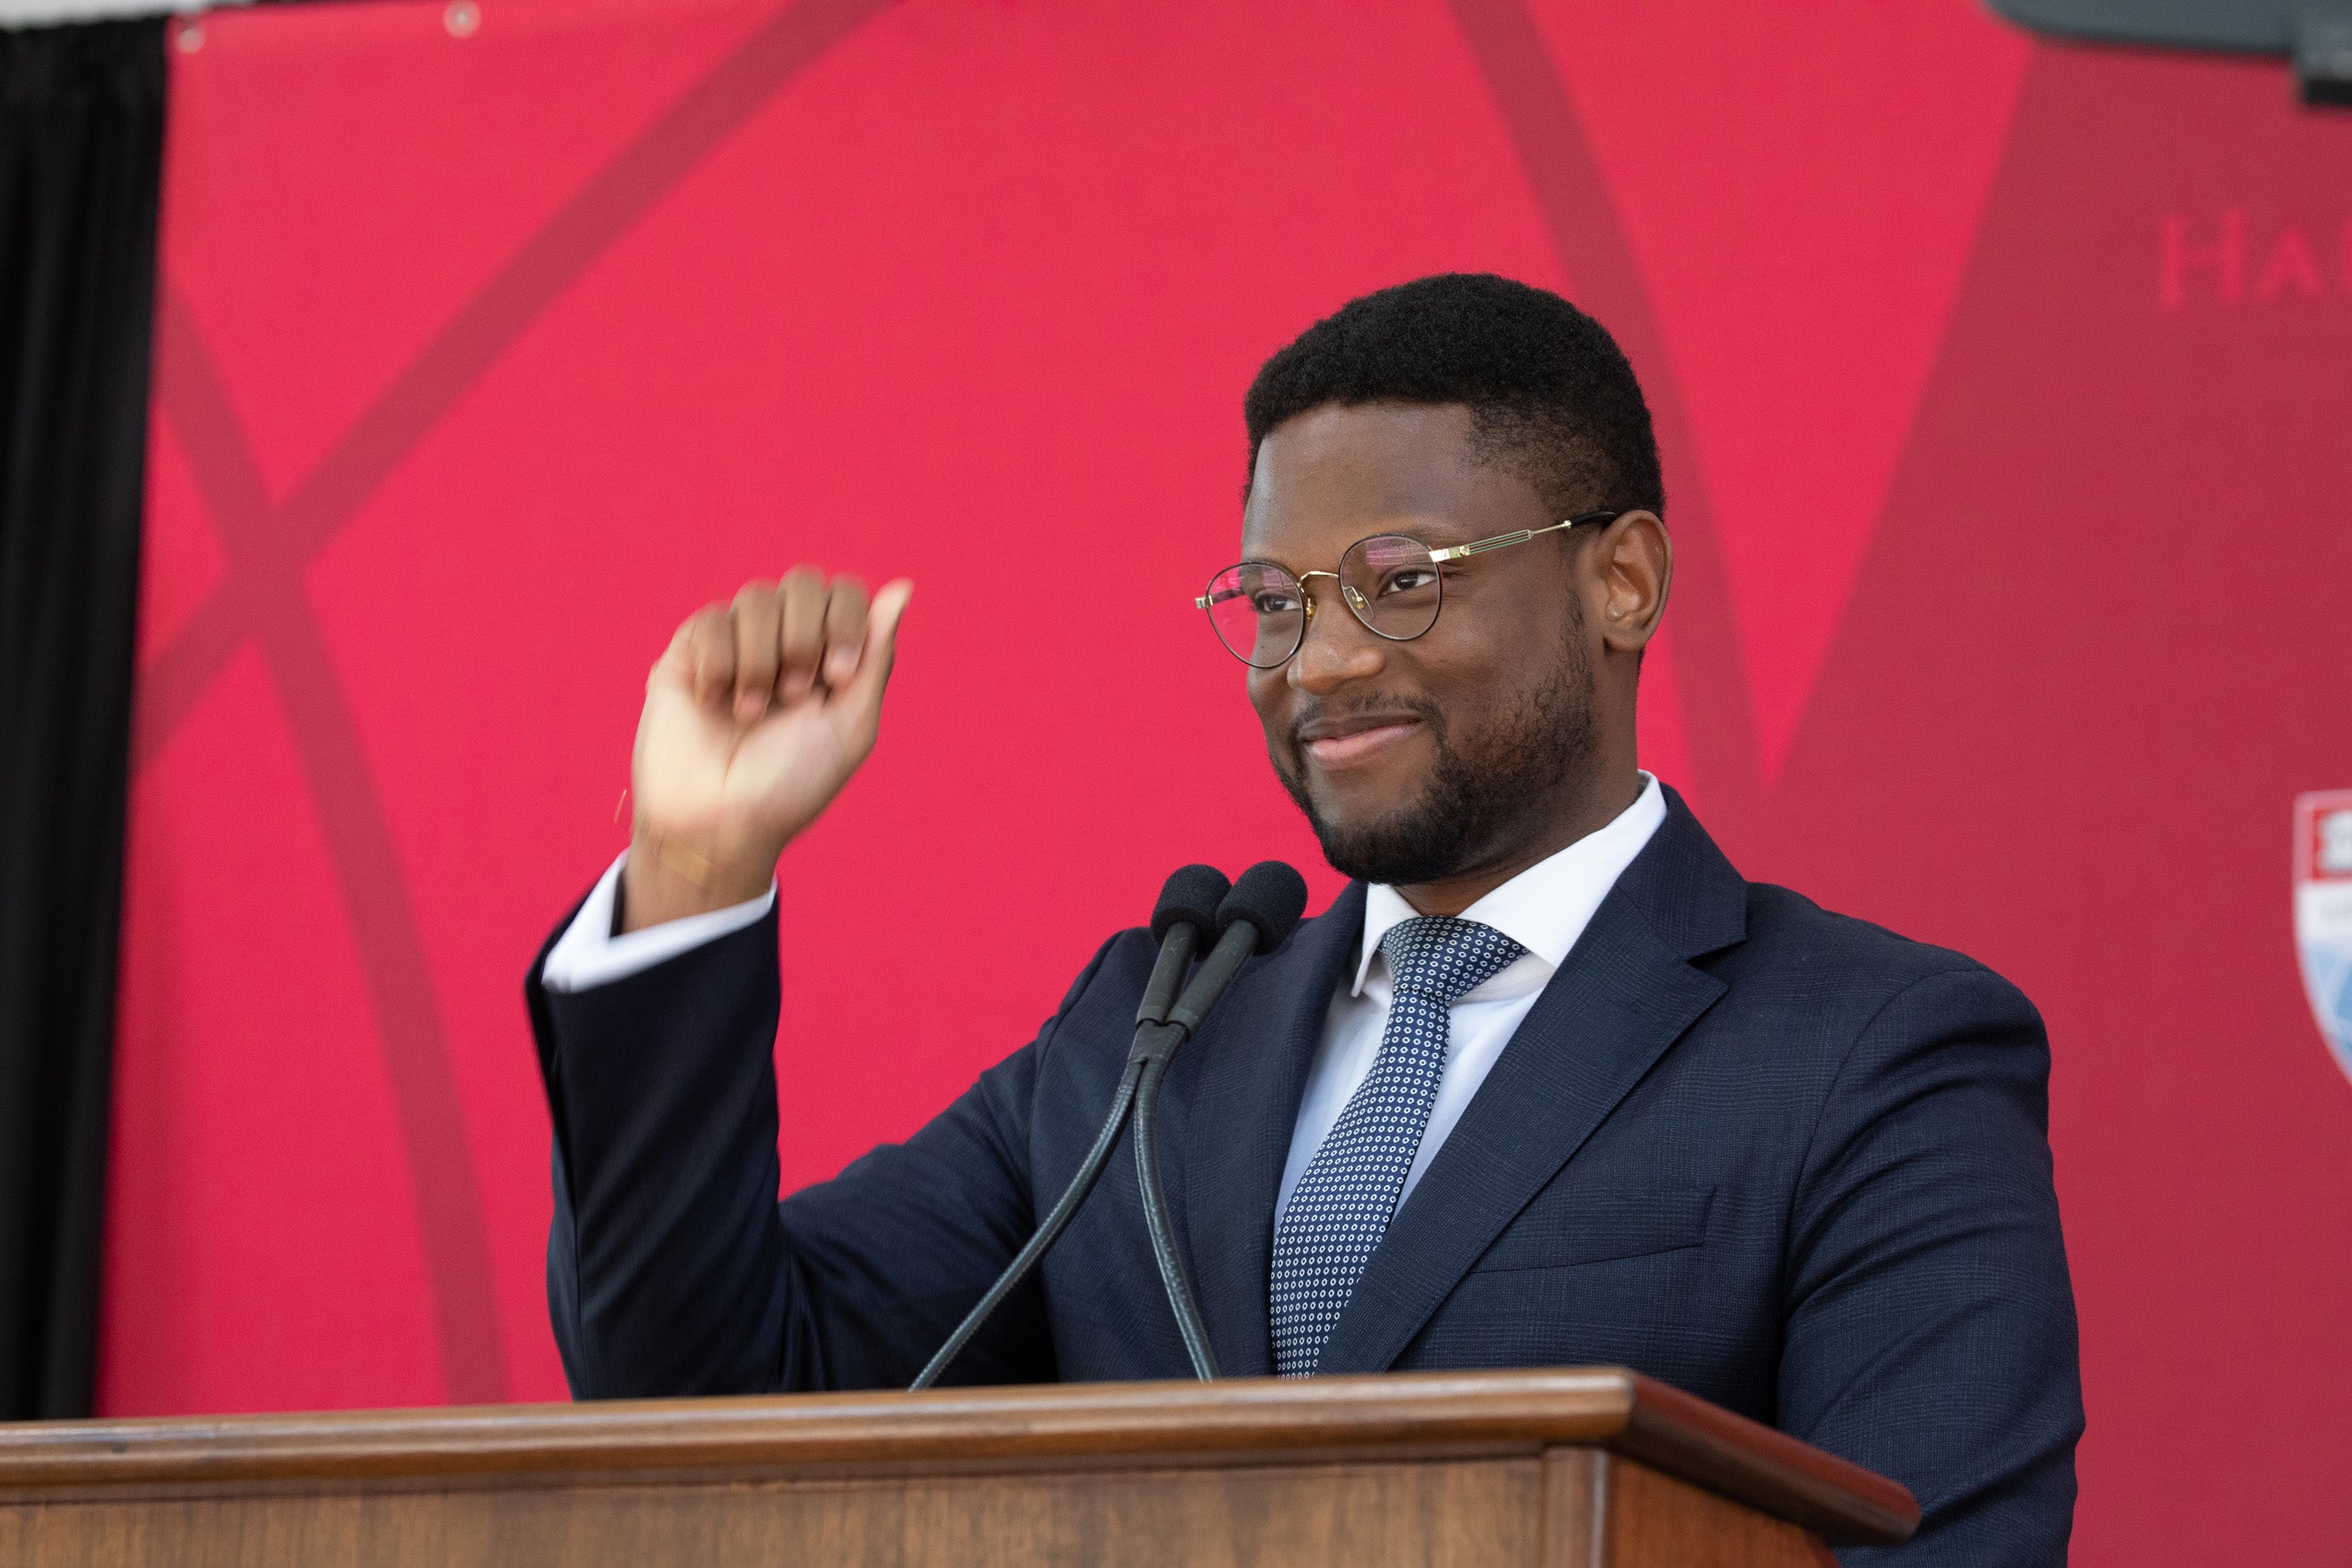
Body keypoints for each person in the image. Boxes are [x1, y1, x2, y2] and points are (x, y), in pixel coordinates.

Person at [528, 273, 2081, 1564]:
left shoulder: (1874, 1055)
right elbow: (708, 1393)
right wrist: (701, 861)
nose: (1318, 661)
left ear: (1620, 581)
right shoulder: (1151, 1040)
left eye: (1399, 583)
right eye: (1271, 600)